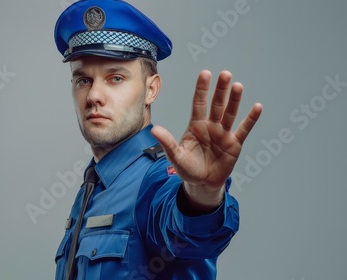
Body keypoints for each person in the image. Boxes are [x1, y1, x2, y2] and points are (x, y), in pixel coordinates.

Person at [53, 0, 263, 279]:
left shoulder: (155, 180)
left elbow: (185, 233)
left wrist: (201, 195)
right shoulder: (93, 187)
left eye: (115, 78)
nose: (93, 96)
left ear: (151, 90)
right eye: (83, 80)